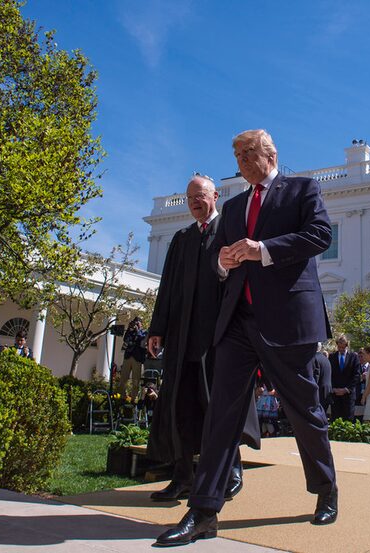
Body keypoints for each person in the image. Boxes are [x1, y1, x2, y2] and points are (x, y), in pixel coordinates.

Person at [155, 129, 337, 547]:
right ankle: (203, 511)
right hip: (238, 321)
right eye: (236, 154)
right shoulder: (234, 206)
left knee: (303, 411)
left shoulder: (301, 190)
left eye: (247, 151)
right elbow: (218, 261)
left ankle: (326, 489)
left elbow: (319, 235)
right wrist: (223, 260)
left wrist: (262, 250)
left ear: (269, 153)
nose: (239, 159)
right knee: (221, 414)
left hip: (288, 321)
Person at [146, 175, 258, 503]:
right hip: (183, 338)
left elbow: (242, 285)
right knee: (180, 405)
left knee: (219, 406)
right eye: (190, 198)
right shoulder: (181, 239)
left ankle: (231, 470)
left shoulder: (229, 233)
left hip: (218, 337)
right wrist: (158, 328)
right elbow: (167, 288)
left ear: (215, 197)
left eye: (200, 196)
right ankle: (182, 477)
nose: (195, 202)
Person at [329, 335, 360, 421]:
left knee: (348, 420)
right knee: (335, 419)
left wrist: (346, 389)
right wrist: (334, 389)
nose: (341, 349)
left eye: (343, 347)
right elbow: (330, 374)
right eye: (339, 347)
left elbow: (356, 375)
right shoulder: (332, 357)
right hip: (335, 394)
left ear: (347, 345)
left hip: (348, 395)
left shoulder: (354, 357)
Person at [120, 317, 147, 401]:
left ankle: (133, 399)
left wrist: (138, 330)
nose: (135, 324)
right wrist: (129, 329)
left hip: (137, 358)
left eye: (137, 323)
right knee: (123, 379)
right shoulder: (130, 332)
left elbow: (141, 339)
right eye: (134, 323)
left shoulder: (144, 332)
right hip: (128, 357)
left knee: (135, 381)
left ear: (141, 324)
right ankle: (122, 397)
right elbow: (125, 339)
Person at [313, 345, 333, 413]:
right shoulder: (325, 359)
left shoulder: (314, 358)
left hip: (319, 393)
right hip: (327, 393)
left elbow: (315, 377)